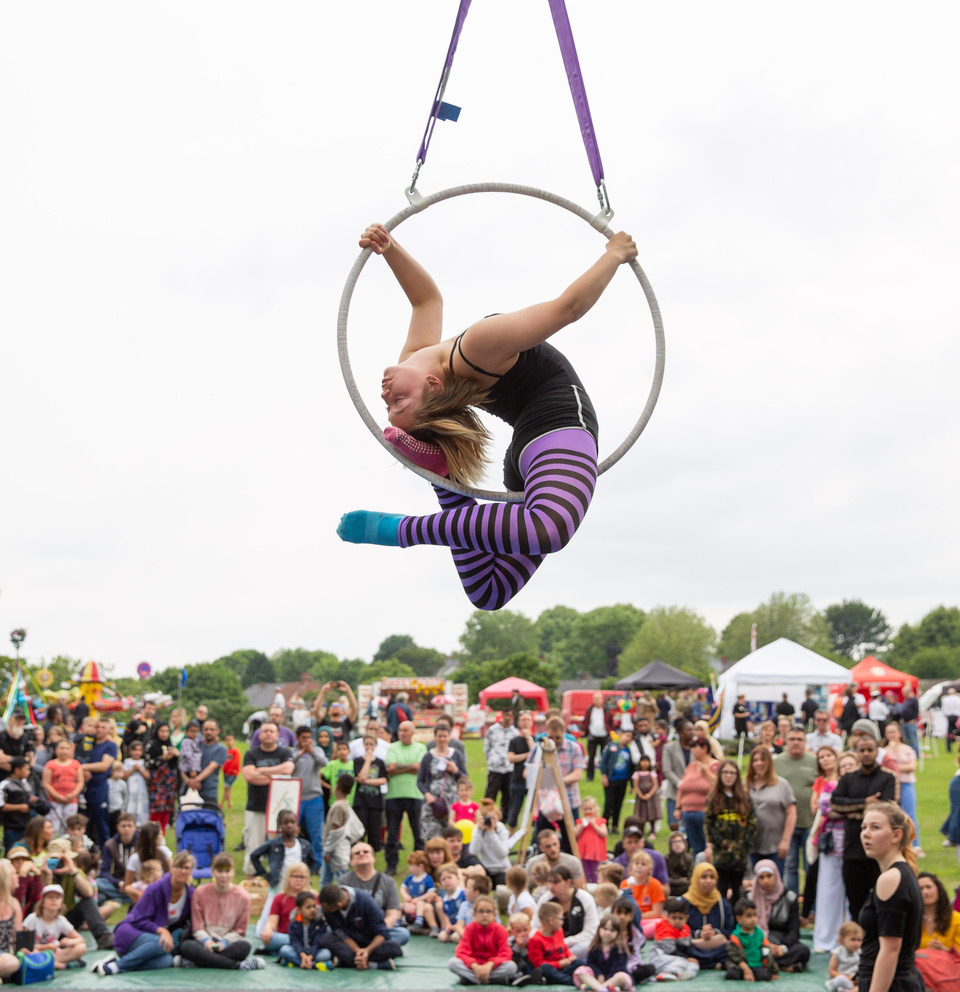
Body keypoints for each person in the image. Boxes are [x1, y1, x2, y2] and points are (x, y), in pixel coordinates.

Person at [337, 223, 638, 612]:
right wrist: (615, 253)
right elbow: (569, 309)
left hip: (534, 444)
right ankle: (440, 485)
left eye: (391, 404)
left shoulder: (441, 348)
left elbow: (426, 300)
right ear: (433, 385)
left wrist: (390, 249)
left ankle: (429, 501)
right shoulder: (475, 350)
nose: (384, 396)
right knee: (546, 530)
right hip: (560, 426)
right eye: (398, 402)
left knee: (491, 589)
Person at [92, 852, 195, 975]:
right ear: (172, 868)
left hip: (153, 942)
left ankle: (115, 961)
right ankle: (116, 966)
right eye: (179, 867)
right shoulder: (156, 889)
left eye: (186, 868)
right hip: (131, 931)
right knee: (161, 943)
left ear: (191, 870)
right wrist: (161, 931)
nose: (182, 871)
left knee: (167, 961)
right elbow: (138, 920)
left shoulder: (189, 894)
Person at [857, 802, 923, 992]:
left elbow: (890, 951)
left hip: (893, 984)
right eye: (864, 827)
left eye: (875, 827)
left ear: (896, 835)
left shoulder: (891, 879)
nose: (866, 834)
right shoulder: (901, 873)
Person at [830, 735, 898, 921]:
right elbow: (835, 804)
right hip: (852, 850)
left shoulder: (888, 777)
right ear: (856, 753)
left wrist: (853, 814)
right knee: (855, 902)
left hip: (880, 854)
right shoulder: (848, 779)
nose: (866, 754)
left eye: (870, 750)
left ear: (877, 752)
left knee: (883, 901)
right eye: (862, 750)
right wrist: (865, 802)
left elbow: (889, 808)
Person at [180, 852, 264, 971]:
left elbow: (240, 931)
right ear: (213, 872)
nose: (223, 875)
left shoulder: (243, 897)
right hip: (204, 941)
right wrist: (206, 941)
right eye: (219, 871)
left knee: (245, 947)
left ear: (233, 872)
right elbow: (198, 926)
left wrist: (225, 942)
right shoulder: (200, 892)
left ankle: (200, 961)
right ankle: (236, 965)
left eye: (227, 871)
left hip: (227, 943)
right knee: (187, 946)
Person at [812, 749, 856, 952]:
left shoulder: (860, 787)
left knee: (852, 895)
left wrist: (844, 808)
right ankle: (825, 939)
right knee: (828, 891)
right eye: (844, 765)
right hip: (832, 845)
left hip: (854, 846)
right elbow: (825, 807)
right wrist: (852, 809)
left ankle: (851, 938)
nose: (847, 769)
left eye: (851, 765)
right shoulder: (830, 785)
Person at [241, 721, 294, 875]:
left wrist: (261, 770)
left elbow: (288, 770)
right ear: (260, 735)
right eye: (265, 731)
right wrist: (277, 775)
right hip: (255, 807)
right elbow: (249, 776)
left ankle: (278, 875)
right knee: (253, 844)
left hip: (280, 809)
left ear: (278, 734)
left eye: (272, 731)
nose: (268, 733)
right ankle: (251, 877)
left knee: (279, 846)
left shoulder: (285, 753)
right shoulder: (251, 754)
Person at [526, 716, 585, 850]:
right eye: (551, 737)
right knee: (541, 838)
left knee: (571, 839)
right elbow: (527, 772)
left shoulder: (574, 748)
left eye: (558, 737)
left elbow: (578, 773)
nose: (554, 741)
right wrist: (542, 777)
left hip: (568, 800)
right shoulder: (539, 748)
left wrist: (558, 782)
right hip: (545, 802)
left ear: (564, 732)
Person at [339, 840, 411, 947]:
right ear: (351, 861)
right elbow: (340, 913)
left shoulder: (388, 881)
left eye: (366, 851)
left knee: (403, 934)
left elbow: (393, 913)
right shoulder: (344, 881)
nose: (362, 854)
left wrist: (380, 929)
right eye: (357, 853)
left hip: (379, 929)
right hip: (354, 930)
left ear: (373, 857)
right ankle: (376, 952)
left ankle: (367, 949)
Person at [317, 882, 404, 970]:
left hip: (370, 942)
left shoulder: (365, 901)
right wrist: (357, 951)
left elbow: (381, 933)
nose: (325, 911)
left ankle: (345, 962)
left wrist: (366, 951)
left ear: (338, 905)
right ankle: (373, 965)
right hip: (350, 945)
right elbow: (342, 934)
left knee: (393, 947)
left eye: (328, 909)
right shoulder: (328, 909)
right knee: (325, 939)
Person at [774, 726, 819, 893]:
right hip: (785, 825)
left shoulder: (814, 761)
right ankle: (791, 902)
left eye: (800, 739)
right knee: (790, 866)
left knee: (810, 866)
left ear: (805, 742)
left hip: (810, 823)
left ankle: (811, 906)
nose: (796, 743)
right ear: (785, 741)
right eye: (792, 739)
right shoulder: (776, 762)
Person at [705, 760, 757, 902]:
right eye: (725, 772)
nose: (729, 776)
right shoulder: (713, 798)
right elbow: (709, 824)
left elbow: (752, 824)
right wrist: (722, 844)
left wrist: (743, 845)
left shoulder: (744, 798)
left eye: (732, 773)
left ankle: (736, 921)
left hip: (739, 856)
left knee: (737, 891)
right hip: (721, 854)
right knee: (721, 891)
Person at [745, 745, 797, 876]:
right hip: (751, 845)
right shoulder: (745, 786)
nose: (759, 763)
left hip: (775, 845)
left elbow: (791, 813)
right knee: (754, 884)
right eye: (755, 760)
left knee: (774, 883)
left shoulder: (782, 785)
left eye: (763, 760)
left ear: (769, 762)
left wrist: (785, 840)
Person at [751, 860, 811, 972]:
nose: (766, 881)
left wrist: (782, 947)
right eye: (761, 877)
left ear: (776, 876)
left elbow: (794, 930)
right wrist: (765, 944)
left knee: (803, 951)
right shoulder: (751, 897)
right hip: (756, 942)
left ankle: (767, 962)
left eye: (769, 876)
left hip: (782, 943)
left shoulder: (789, 898)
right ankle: (781, 965)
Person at [448, 894, 518, 985]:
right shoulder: (470, 928)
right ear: (474, 914)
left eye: (488, 911)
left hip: (492, 967)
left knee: (511, 966)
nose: (484, 915)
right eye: (481, 911)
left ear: (494, 914)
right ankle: (488, 979)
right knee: (452, 963)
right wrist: (474, 965)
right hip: (473, 967)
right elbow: (461, 951)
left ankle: (473, 979)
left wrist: (490, 964)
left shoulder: (500, 930)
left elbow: (505, 953)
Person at [384, 720, 426, 875]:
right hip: (394, 795)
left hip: (415, 794)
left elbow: (419, 768)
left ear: (412, 732)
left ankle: (420, 863)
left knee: (418, 833)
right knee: (393, 833)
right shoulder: (392, 747)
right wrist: (410, 767)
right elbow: (391, 769)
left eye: (406, 730)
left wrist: (400, 767)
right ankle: (391, 864)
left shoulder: (421, 748)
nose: (402, 733)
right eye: (400, 730)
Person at [532, 865, 600, 959]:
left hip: (576, 945)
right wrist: (545, 942)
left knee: (587, 946)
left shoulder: (585, 898)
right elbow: (535, 926)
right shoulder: (545, 899)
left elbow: (591, 932)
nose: (551, 886)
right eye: (549, 882)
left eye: (556, 882)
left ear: (568, 882)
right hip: (548, 946)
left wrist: (563, 942)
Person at [680, 862, 734, 971]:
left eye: (712, 877)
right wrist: (699, 934)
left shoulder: (722, 904)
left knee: (732, 948)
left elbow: (730, 930)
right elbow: (678, 929)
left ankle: (703, 962)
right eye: (704, 877)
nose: (708, 881)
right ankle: (715, 963)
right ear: (695, 879)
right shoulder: (685, 903)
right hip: (695, 944)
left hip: (717, 945)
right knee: (681, 947)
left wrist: (714, 932)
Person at [419, 722, 467, 841]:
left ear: (449, 737)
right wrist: (427, 795)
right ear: (435, 737)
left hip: (452, 802)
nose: (442, 739)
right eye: (439, 736)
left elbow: (465, 779)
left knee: (452, 836)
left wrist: (456, 771)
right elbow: (420, 781)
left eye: (445, 736)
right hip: (433, 803)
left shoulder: (456, 755)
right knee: (433, 837)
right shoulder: (428, 757)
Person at [22, 882, 87, 970]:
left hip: (54, 953)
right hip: (36, 952)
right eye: (50, 897)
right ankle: (60, 965)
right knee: (27, 954)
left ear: (61, 903)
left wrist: (71, 941)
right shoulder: (32, 919)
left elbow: (80, 939)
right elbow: (25, 945)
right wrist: (45, 947)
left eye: (57, 897)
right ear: (43, 901)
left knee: (81, 947)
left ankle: (49, 963)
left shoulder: (60, 920)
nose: (54, 900)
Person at [250, 808, 319, 888]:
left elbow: (314, 862)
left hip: (300, 887)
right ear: (280, 825)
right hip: (279, 887)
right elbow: (254, 855)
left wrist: (306, 875)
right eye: (286, 823)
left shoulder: (304, 845)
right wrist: (265, 875)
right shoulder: (273, 844)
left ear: (296, 824)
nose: (289, 825)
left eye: (292, 822)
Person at [674, 735, 718, 857]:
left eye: (695, 747)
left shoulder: (715, 766)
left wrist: (706, 772)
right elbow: (682, 787)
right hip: (688, 812)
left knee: (708, 846)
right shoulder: (691, 766)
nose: (691, 750)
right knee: (695, 846)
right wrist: (678, 807)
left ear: (704, 748)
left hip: (706, 812)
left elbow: (718, 786)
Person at [291, 725, 329, 866]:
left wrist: (311, 752)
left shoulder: (317, 750)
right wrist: (301, 753)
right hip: (295, 799)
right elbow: (287, 764)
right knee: (292, 831)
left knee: (316, 833)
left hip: (314, 798)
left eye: (309, 738)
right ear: (297, 738)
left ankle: (318, 864)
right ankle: (293, 861)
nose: (306, 741)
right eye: (303, 738)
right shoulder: (292, 752)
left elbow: (325, 763)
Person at [257, 861, 313, 954]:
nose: (298, 879)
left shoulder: (313, 898)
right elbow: (272, 921)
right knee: (271, 938)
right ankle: (297, 949)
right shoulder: (279, 898)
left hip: (308, 938)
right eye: (295, 876)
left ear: (307, 879)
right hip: (285, 937)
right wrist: (268, 929)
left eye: (302, 877)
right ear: (288, 878)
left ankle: (289, 953)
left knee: (324, 951)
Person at [883, 721, 922, 855]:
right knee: (890, 815)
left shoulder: (907, 749)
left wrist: (894, 767)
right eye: (889, 732)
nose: (892, 735)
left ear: (899, 733)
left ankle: (915, 845)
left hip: (906, 784)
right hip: (890, 786)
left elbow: (911, 767)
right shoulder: (883, 751)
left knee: (909, 814)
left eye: (894, 732)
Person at [78, 718, 117, 848]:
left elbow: (104, 766)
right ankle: (83, 849)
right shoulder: (89, 741)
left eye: (103, 727)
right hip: (83, 785)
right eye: (97, 727)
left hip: (99, 786)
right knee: (84, 821)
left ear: (109, 730)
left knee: (101, 821)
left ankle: (106, 851)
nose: (99, 730)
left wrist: (83, 767)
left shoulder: (110, 745)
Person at [528, 900, 584, 986]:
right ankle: (570, 981)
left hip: (562, 968)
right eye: (561, 919)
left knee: (579, 962)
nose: (563, 922)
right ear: (551, 920)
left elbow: (564, 947)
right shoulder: (536, 940)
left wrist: (570, 956)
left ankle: (562, 979)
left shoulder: (559, 931)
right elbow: (538, 964)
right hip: (551, 969)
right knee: (544, 968)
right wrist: (559, 964)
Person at [574, 912, 634, 991]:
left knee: (621, 977)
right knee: (581, 970)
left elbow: (619, 967)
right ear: (599, 929)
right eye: (605, 929)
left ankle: (598, 988)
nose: (608, 932)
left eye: (612, 930)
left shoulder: (620, 948)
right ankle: (602, 988)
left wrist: (607, 979)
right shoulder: (595, 946)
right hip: (598, 978)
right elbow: (590, 963)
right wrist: (599, 975)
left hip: (613, 978)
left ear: (617, 932)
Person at [278, 890, 335, 970]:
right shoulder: (293, 924)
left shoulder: (320, 923)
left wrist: (310, 956)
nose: (313, 910)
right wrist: (303, 955)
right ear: (299, 910)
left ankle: (294, 963)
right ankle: (316, 965)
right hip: (299, 952)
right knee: (284, 950)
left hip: (315, 952)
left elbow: (317, 941)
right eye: (308, 907)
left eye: (314, 906)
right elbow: (294, 941)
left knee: (326, 953)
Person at [725, 897, 778, 981]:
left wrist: (772, 969)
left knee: (764, 976)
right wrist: (745, 968)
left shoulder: (760, 933)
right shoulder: (735, 935)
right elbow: (733, 955)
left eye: (755, 915)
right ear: (739, 919)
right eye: (749, 916)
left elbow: (766, 950)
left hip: (757, 965)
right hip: (741, 965)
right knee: (732, 974)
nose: (753, 919)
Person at [41, 736, 84, 836]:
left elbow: (80, 782)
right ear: (56, 750)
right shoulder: (50, 764)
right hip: (54, 800)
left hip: (71, 800)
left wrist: (72, 795)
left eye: (67, 748)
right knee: (54, 826)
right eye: (61, 748)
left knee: (68, 825)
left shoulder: (76, 764)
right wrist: (57, 796)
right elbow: (46, 783)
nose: (64, 751)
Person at [598, 729, 637, 835]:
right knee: (609, 803)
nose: (628, 738)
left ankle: (614, 826)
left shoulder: (629, 751)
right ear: (621, 735)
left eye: (630, 737)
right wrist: (604, 775)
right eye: (627, 735)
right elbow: (603, 762)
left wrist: (631, 784)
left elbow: (632, 768)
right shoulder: (611, 747)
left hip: (623, 781)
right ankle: (604, 825)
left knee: (618, 804)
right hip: (611, 780)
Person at [650, 899, 699, 981]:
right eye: (674, 918)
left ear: (686, 918)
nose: (677, 921)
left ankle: (685, 975)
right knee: (682, 962)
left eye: (680, 918)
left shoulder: (686, 928)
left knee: (694, 964)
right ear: (667, 916)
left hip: (676, 959)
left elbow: (686, 947)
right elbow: (671, 951)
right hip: (659, 957)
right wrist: (687, 959)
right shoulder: (664, 927)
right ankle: (666, 973)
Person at [143, 721, 178, 833]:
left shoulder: (170, 745)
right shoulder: (151, 745)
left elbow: (174, 766)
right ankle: (153, 834)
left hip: (168, 782)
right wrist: (161, 759)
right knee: (156, 808)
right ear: (157, 731)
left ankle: (162, 835)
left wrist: (176, 756)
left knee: (166, 809)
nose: (164, 734)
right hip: (156, 782)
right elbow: (148, 763)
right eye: (162, 731)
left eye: (167, 731)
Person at [96, 811, 138, 906]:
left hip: (138, 882)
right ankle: (132, 897)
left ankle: (119, 897)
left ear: (135, 827)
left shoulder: (142, 843)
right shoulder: (110, 844)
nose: (126, 829)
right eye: (123, 826)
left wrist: (135, 884)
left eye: (129, 826)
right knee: (97, 883)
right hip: (119, 883)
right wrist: (119, 883)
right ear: (118, 827)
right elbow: (104, 871)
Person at [183, 719, 227, 805]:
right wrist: (188, 781)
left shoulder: (221, 749)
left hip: (208, 792)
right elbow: (183, 763)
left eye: (212, 729)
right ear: (202, 730)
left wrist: (195, 780)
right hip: (189, 789)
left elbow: (212, 767)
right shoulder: (195, 745)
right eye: (206, 729)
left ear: (218, 731)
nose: (208, 732)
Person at [469, 799, 511, 886]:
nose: (491, 821)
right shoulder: (478, 830)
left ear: (498, 817)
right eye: (488, 818)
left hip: (502, 869)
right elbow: (473, 852)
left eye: (494, 818)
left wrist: (492, 833)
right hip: (486, 869)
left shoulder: (502, 829)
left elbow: (503, 853)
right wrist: (478, 831)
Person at [662, 720, 694, 828]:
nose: (692, 732)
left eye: (692, 729)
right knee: (674, 825)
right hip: (675, 792)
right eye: (688, 730)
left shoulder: (697, 748)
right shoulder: (669, 748)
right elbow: (666, 770)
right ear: (680, 732)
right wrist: (679, 783)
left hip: (693, 792)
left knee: (690, 825)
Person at [483, 709, 517, 810]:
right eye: (506, 715)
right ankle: (486, 815)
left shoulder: (515, 733)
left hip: (509, 768)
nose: (508, 718)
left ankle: (504, 818)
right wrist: (491, 760)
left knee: (507, 795)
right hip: (495, 768)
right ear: (502, 715)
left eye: (510, 716)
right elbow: (487, 747)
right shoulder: (492, 730)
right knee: (490, 794)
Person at [507, 711, 534, 828]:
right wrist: (527, 755)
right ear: (519, 723)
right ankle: (510, 838)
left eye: (528, 719)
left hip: (532, 781)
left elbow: (536, 753)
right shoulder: (514, 741)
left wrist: (528, 738)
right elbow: (511, 758)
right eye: (523, 720)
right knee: (514, 811)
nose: (526, 722)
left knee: (534, 811)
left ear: (532, 722)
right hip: (517, 780)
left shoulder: (537, 739)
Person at [312, 682, 358, 748]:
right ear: (329, 712)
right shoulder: (324, 723)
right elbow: (316, 711)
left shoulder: (346, 724)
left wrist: (348, 690)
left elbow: (354, 709)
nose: (335, 706)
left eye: (338, 705)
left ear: (343, 712)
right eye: (333, 705)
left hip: (342, 754)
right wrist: (323, 691)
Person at [574, 796, 608, 885]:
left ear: (595, 809)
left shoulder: (600, 821)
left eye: (590, 808)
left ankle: (596, 885)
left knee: (595, 872)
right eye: (585, 809)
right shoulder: (580, 821)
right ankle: (585, 885)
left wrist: (594, 825)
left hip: (595, 852)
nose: (588, 811)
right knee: (585, 871)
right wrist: (582, 825)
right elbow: (576, 834)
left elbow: (604, 833)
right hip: (583, 852)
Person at [0, 860, 23, 981]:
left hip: (4, 958)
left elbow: (18, 939)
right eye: (14, 873)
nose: (18, 876)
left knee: (13, 962)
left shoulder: (14, 904)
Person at [826, 921, 864, 992]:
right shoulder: (837, 952)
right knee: (841, 980)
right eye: (853, 939)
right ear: (842, 938)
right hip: (840, 980)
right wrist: (847, 977)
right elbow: (831, 971)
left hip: (854, 980)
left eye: (859, 940)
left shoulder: (860, 952)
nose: (856, 943)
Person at [631, 753, 659, 840]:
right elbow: (636, 786)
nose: (644, 763)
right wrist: (641, 795)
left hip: (651, 797)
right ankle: (641, 831)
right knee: (641, 814)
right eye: (643, 761)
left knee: (652, 814)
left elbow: (655, 785)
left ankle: (652, 831)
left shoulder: (652, 773)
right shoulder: (637, 774)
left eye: (647, 761)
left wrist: (649, 794)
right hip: (641, 797)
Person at [899, 685, 920, 757]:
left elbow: (916, 711)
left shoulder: (913, 700)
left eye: (904, 692)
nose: (903, 694)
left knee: (913, 739)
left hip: (910, 722)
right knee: (907, 739)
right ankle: (910, 753)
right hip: (905, 722)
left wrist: (913, 719)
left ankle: (916, 754)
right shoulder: (906, 700)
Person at [222, 733, 241, 809]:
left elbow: (235, 762)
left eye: (230, 740)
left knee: (226, 787)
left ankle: (221, 803)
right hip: (225, 773)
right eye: (227, 740)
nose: (228, 742)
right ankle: (230, 804)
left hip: (232, 773)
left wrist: (230, 771)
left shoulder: (235, 751)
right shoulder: (226, 751)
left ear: (234, 741)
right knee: (228, 788)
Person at [941, 688, 960, 752]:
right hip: (957, 717)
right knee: (958, 732)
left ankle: (949, 748)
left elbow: (944, 709)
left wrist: (947, 716)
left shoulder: (945, 699)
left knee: (949, 732)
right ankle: (954, 742)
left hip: (949, 717)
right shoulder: (957, 698)